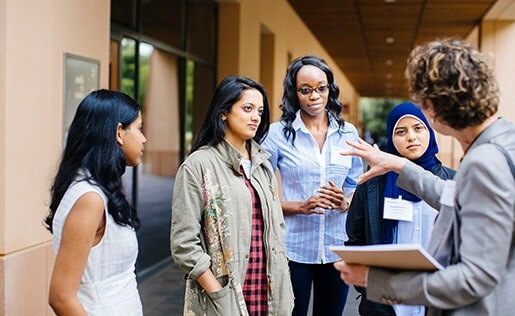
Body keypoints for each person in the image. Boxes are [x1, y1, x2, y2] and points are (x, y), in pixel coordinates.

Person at [335, 37, 515, 315]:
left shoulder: (484, 163)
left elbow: (473, 278)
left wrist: (376, 281)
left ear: (431, 107)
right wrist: (399, 166)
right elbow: (457, 197)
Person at [170, 76, 294, 316]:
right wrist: (218, 293)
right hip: (226, 297)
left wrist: (285, 288)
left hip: (270, 295)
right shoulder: (198, 165)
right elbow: (184, 244)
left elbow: (277, 230)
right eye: (247, 109)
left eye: (259, 110)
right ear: (224, 112)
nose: (256, 116)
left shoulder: (263, 163)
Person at [261, 55, 363, 316]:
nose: (314, 96)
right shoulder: (277, 134)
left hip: (336, 247)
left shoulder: (348, 133)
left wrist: (345, 202)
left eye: (321, 88)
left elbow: (355, 184)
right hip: (294, 249)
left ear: (330, 88)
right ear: (295, 93)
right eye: (305, 90)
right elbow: (255, 190)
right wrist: (297, 206)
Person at [345, 102, 456, 316]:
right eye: (401, 131)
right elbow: (355, 239)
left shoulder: (453, 182)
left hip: (437, 300)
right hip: (386, 303)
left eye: (418, 128)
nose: (411, 137)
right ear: (391, 138)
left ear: (430, 132)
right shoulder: (372, 185)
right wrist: (369, 289)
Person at [45, 89, 146, 315]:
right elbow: (61, 297)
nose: (143, 138)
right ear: (119, 132)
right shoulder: (90, 199)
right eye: (139, 128)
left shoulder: (98, 187)